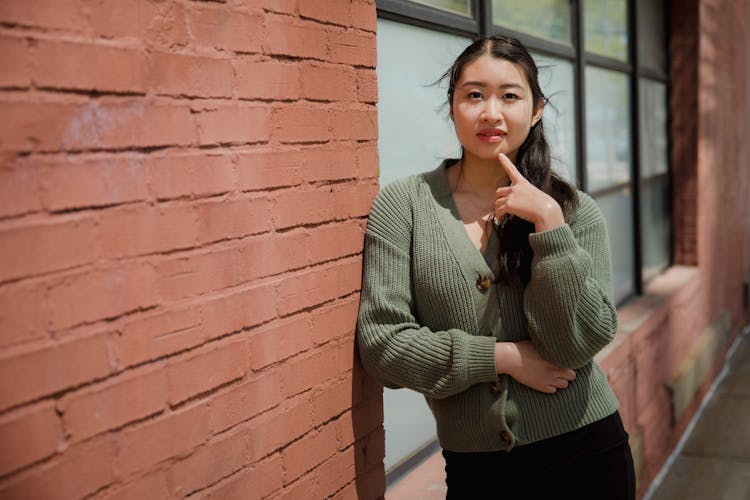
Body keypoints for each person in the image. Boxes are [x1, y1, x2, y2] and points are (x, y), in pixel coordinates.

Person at [356, 35, 636, 499]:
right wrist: (501, 358)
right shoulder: (403, 206)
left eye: (510, 95)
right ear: (451, 107)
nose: (491, 112)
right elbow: (382, 346)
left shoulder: (573, 210)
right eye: (473, 95)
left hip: (587, 454)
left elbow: (580, 342)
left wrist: (549, 227)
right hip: (476, 470)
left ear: (537, 109)